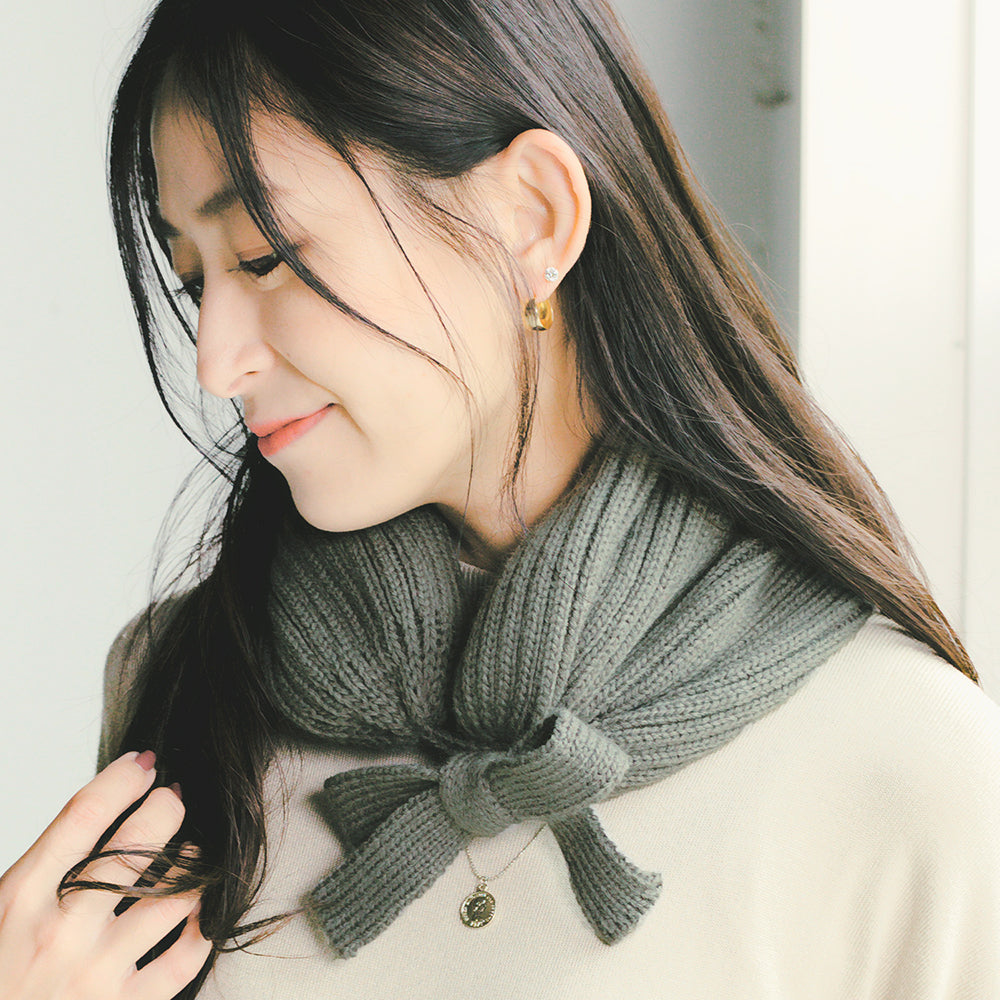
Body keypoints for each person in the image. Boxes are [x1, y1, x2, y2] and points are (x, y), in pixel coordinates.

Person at [1, 0, 998, 997]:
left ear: (532, 216)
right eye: (193, 281)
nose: (216, 363)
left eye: (264, 257)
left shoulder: (909, 769)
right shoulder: (184, 682)